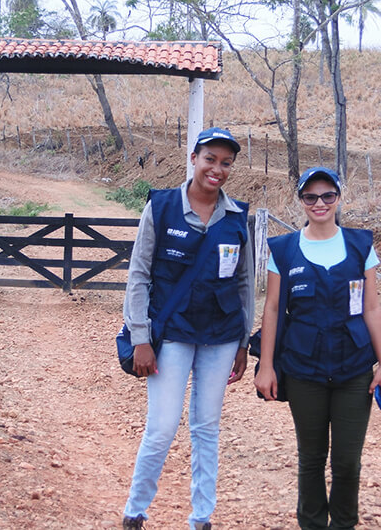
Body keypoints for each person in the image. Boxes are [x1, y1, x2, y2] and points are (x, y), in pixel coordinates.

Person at [121, 127, 255, 530]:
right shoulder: (161, 208)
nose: (217, 169)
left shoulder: (236, 218)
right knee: (162, 428)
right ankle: (136, 508)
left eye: (226, 162)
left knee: (206, 429)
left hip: (221, 336)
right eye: (210, 159)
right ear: (194, 158)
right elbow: (139, 275)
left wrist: (243, 342)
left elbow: (245, 283)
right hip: (172, 335)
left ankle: (201, 518)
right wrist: (141, 338)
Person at [254, 167, 381, 530]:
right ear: (301, 201)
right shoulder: (283, 250)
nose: (320, 203)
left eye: (327, 195)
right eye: (311, 197)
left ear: (338, 198)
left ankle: (343, 524)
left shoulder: (361, 246)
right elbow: (272, 309)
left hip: (354, 368)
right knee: (312, 458)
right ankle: (312, 524)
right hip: (303, 370)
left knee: (347, 461)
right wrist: (266, 366)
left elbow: (372, 308)